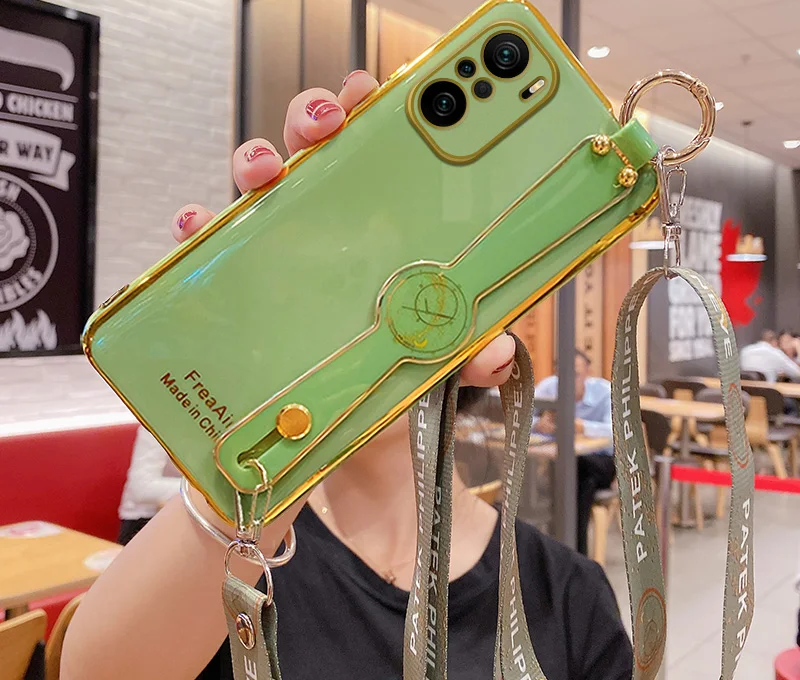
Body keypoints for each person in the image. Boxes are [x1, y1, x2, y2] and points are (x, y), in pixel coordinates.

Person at [61, 72, 632, 680]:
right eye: (319, 289)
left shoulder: (568, 599)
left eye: (385, 284)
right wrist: (262, 452)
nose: (355, 326)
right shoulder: (231, 563)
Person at [533, 350, 613, 557]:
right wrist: (539, 424)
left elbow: (616, 431)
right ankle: (572, 551)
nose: (567, 381)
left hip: (602, 460)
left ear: (588, 373)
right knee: (576, 478)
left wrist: (581, 426)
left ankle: (566, 548)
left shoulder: (604, 392)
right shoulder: (548, 388)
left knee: (576, 472)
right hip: (565, 463)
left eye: (575, 374)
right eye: (562, 374)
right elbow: (523, 416)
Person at [117, 425, 182, 545]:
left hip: (188, 518)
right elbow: (142, 488)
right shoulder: (158, 423)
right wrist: (199, 490)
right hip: (144, 520)